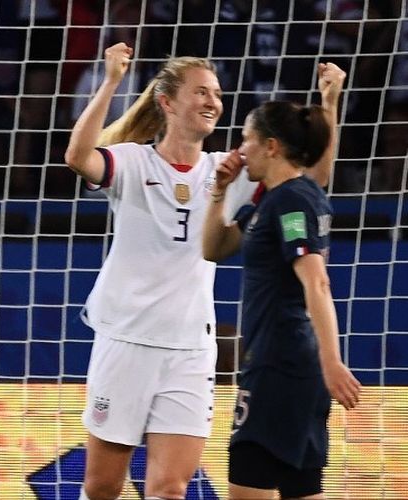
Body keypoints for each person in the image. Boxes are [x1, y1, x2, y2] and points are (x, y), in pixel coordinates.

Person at [64, 41, 337, 500]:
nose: (213, 101)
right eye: (201, 92)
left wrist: (329, 103)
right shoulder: (131, 161)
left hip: (191, 348)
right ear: (167, 102)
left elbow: (311, 178)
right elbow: (77, 156)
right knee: (102, 487)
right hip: (126, 339)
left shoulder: (227, 171)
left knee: (171, 487)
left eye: (216, 92)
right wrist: (112, 80)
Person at [202, 104, 362, 497]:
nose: (239, 151)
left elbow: (316, 282)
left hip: (280, 365)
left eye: (246, 140)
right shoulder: (270, 202)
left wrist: (332, 362)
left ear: (271, 146)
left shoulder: (292, 201)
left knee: (248, 483)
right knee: (299, 486)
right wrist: (219, 191)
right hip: (287, 364)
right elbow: (213, 247)